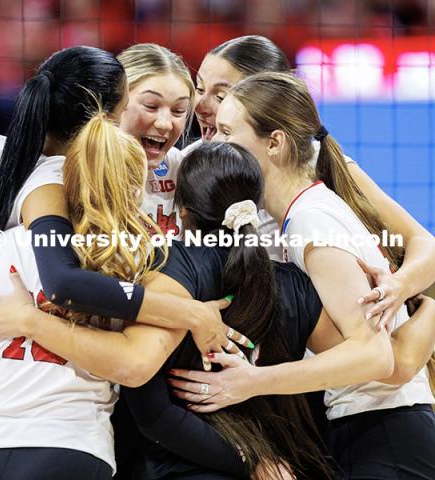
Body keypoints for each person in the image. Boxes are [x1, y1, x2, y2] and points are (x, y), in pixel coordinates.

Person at [0, 142, 334, 480]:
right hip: (285, 466)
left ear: (182, 212)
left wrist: (29, 322)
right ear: (257, 204)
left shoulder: (163, 268)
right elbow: (366, 360)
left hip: (1, 444)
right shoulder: (298, 284)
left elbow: (152, 410)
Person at [169, 72, 435, 479]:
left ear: (274, 143)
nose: (214, 143)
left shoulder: (310, 221)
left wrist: (252, 382)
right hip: (370, 427)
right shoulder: (299, 214)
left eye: (226, 131)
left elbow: (377, 355)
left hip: (387, 430)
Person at [0, 108, 161, 479]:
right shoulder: (139, 256)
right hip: (72, 444)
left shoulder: (5, 242)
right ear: (134, 190)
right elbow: (137, 366)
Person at [184, 35, 435, 326]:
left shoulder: (317, 171)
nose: (200, 105)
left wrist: (400, 287)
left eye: (221, 95)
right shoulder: (192, 169)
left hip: (323, 341)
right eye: (199, 88)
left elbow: (423, 243)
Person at [118, 43, 195, 237]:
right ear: (115, 102)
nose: (165, 124)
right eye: (151, 106)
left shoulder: (181, 168)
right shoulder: (75, 169)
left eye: (178, 111)